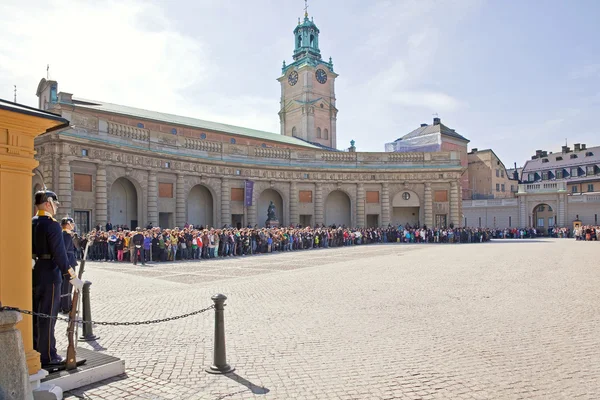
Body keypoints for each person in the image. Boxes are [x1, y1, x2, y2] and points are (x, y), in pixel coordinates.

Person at [32, 190, 83, 367]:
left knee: (35, 315)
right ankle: (48, 355)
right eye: (55, 204)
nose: (55, 208)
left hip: (35, 272)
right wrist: (72, 276)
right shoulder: (52, 225)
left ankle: (35, 350)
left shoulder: (32, 222)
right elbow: (60, 255)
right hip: (50, 274)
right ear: (48, 203)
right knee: (48, 316)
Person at [59, 217, 78, 314]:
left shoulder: (66, 234)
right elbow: (65, 250)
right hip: (69, 262)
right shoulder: (66, 235)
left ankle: (62, 305)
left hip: (68, 261)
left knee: (66, 284)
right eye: (72, 223)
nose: (73, 225)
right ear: (67, 224)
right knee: (68, 284)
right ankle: (66, 306)